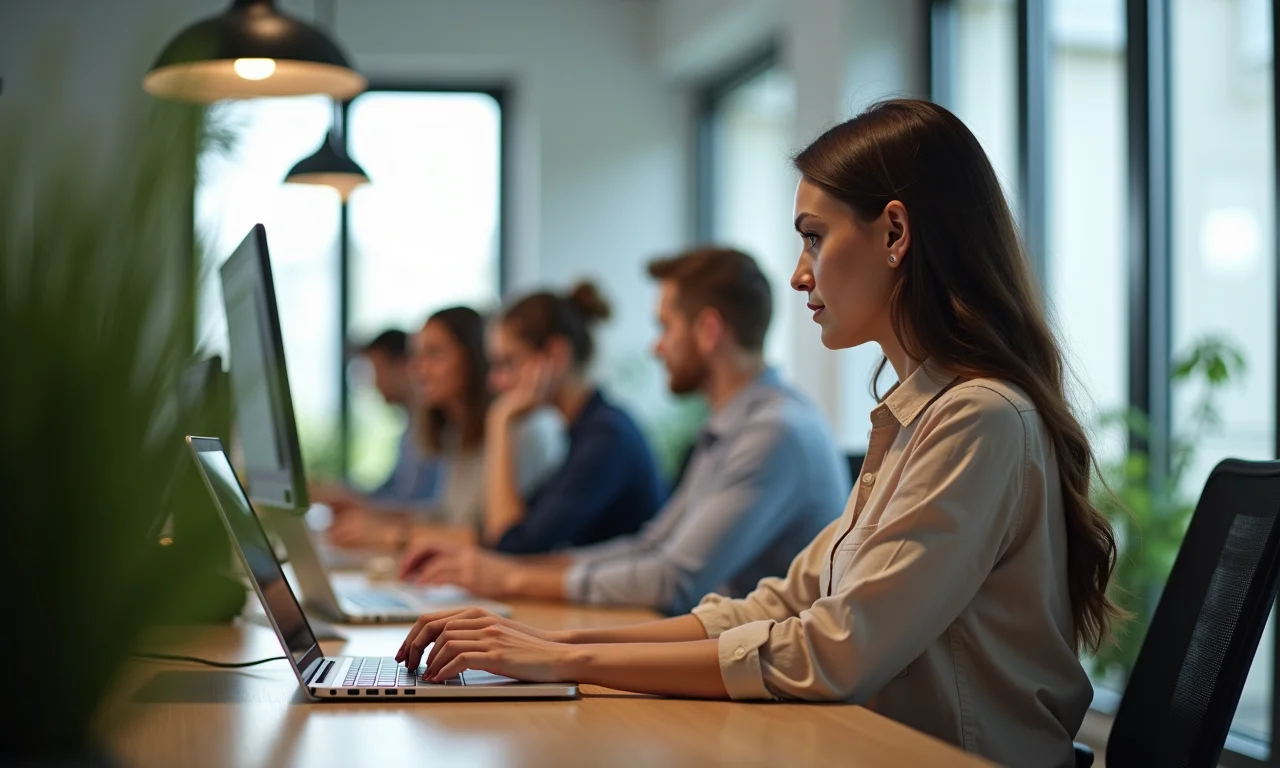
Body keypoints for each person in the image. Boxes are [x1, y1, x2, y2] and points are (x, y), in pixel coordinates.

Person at [394, 99, 1121, 768]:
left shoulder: (977, 418)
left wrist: (565, 662)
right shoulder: (913, 416)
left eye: (814, 238)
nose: (801, 276)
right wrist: (552, 645)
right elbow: (775, 606)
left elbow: (834, 651)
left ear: (895, 232)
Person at [398, 248, 847, 616]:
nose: (656, 346)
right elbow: (652, 545)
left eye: (664, 327)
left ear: (708, 331)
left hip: (770, 686)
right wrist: (501, 569)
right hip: (731, 654)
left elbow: (672, 582)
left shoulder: (773, 432)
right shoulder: (733, 426)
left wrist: (510, 575)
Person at [328, 307, 565, 549]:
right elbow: (447, 517)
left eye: (434, 354)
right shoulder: (458, 431)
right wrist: (372, 518)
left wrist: (393, 535)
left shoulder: (521, 431)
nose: (418, 369)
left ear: (474, 357)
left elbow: (496, 539)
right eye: (416, 356)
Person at [477, 281, 664, 553]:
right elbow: (509, 529)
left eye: (508, 362)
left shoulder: (606, 436)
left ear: (555, 355)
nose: (495, 382)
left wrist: (500, 421)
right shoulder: (583, 429)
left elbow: (513, 544)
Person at [312, 329, 441, 513]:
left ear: (401, 365)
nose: (374, 384)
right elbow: (390, 492)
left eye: (376, 371)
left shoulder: (435, 428)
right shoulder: (411, 428)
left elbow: (417, 506)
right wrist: (338, 493)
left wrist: (344, 497)